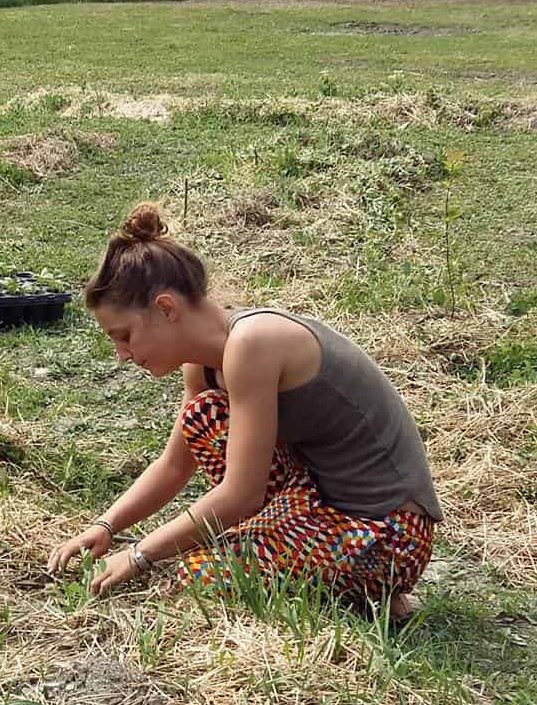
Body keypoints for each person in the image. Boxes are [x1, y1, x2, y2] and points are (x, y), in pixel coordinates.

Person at [45, 203, 441, 619]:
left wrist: (140, 555)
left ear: (165, 308)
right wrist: (105, 527)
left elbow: (242, 493)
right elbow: (175, 465)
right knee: (204, 417)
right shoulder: (203, 364)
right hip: (317, 502)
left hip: (389, 535)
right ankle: (298, 558)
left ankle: (371, 592)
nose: (122, 355)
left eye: (124, 336)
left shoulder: (254, 344)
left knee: (196, 576)